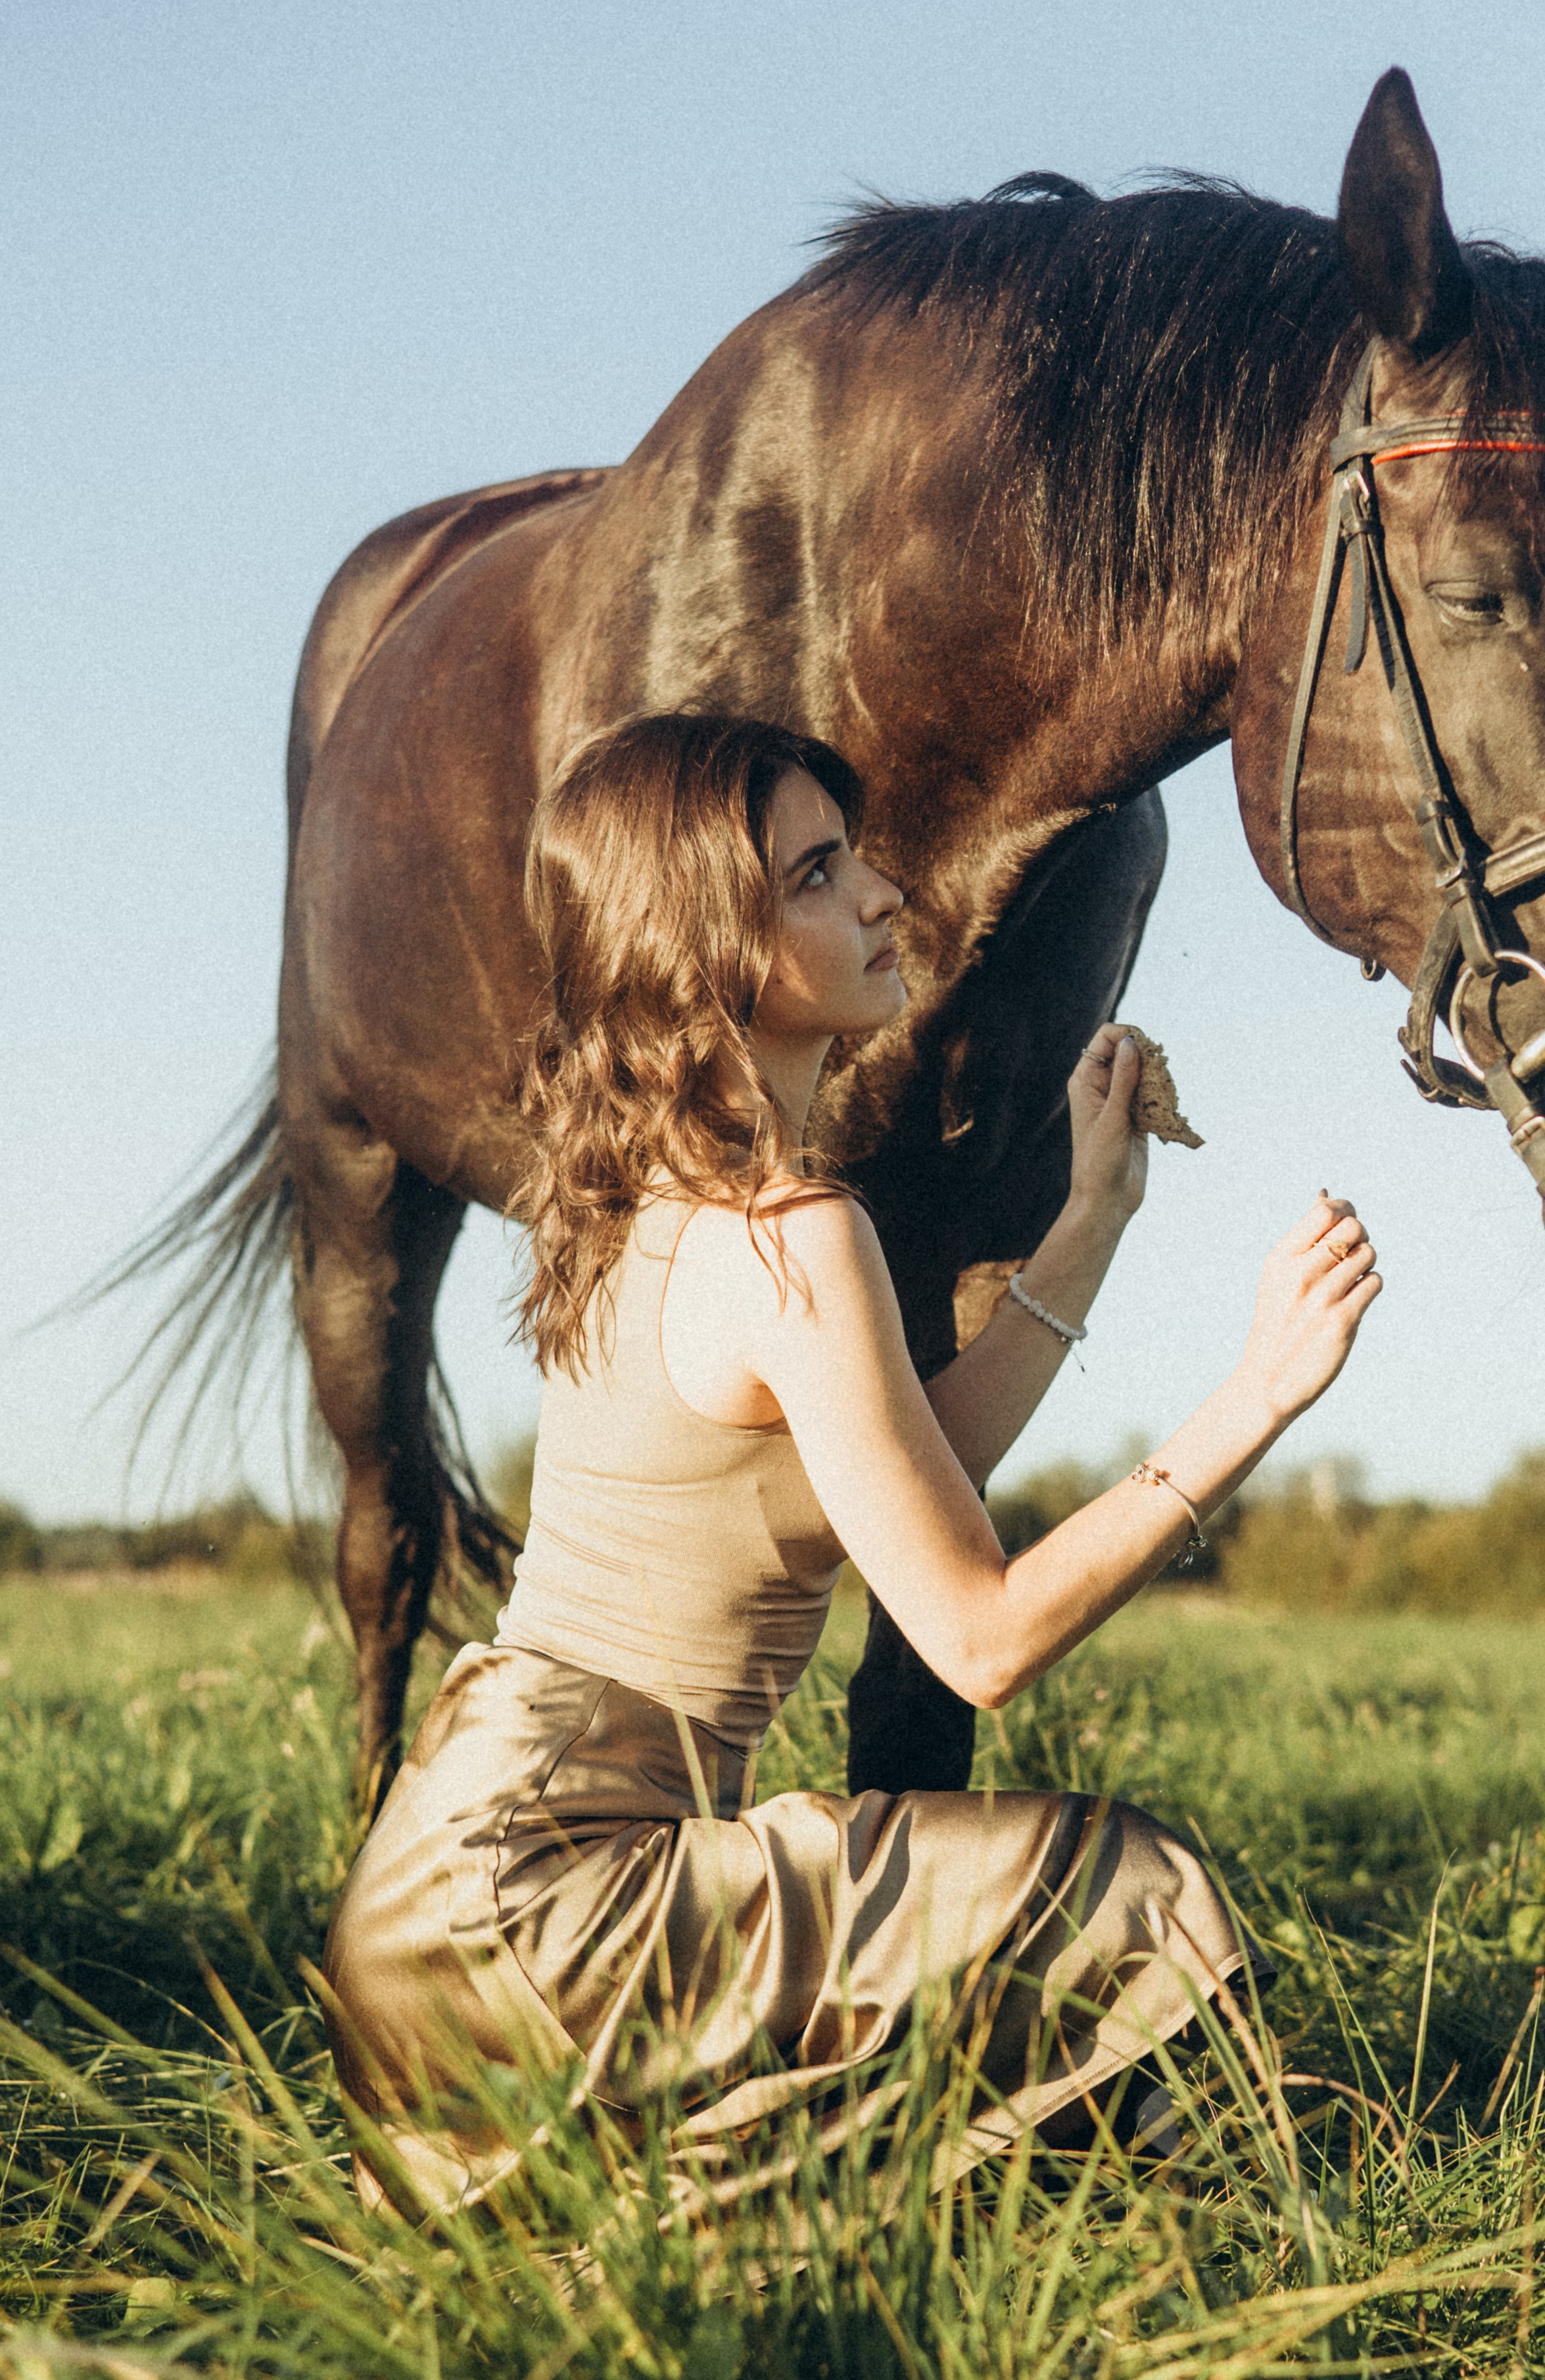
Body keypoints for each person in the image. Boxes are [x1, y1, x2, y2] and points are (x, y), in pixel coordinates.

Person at [320, 712, 1381, 2208]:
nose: (883, 894)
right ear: (707, 943)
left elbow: (907, 1467)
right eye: (817, 874)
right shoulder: (790, 1232)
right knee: (1128, 1898)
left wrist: (1087, 1223)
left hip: (434, 1905)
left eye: (851, 854)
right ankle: (1231, 2250)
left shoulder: (645, 1197)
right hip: (555, 1909)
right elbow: (980, 1636)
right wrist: (1256, 1394)